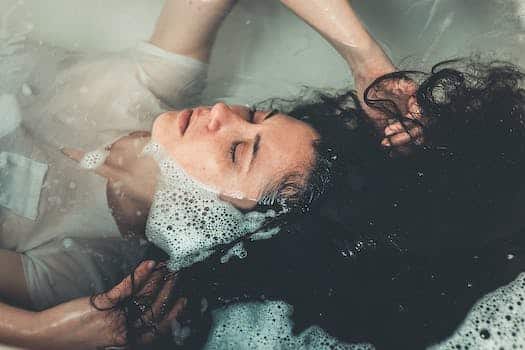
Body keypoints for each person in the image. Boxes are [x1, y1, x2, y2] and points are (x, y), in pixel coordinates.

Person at [0, 0, 523, 349]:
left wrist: (33, 331)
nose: (222, 113)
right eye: (255, 116)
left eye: (235, 153)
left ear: (213, 227)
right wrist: (367, 61)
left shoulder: (76, 267)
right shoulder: (151, 85)